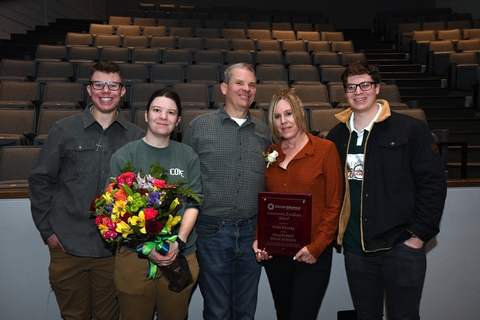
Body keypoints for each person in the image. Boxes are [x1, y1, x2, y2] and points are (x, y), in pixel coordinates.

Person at [326, 61, 447, 320]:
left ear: (377, 87)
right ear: (344, 92)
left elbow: (433, 184)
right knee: (366, 315)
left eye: (365, 85)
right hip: (356, 249)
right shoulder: (336, 136)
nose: (358, 92)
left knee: (404, 316)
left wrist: (418, 236)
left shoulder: (410, 129)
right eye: (351, 87)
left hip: (401, 246)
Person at [28, 60, 145, 319]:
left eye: (113, 85)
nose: (106, 90)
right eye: (99, 84)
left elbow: (142, 194)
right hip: (67, 246)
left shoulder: (136, 138)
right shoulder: (63, 130)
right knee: (74, 316)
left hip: (111, 251)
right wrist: (47, 231)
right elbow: (40, 181)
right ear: (89, 90)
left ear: (122, 91)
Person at [182, 63, 271, 320]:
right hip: (211, 232)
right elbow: (185, 181)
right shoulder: (200, 127)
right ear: (224, 87)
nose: (246, 89)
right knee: (217, 310)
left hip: (251, 233)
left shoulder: (264, 132)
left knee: (245, 310)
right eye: (239, 83)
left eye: (252, 85)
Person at [108, 89, 203, 320]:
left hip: (179, 256)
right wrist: (148, 248)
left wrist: (178, 242)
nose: (163, 117)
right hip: (135, 257)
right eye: (157, 110)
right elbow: (114, 210)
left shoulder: (188, 155)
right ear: (146, 115)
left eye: (171, 112)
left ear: (178, 120)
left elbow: (193, 203)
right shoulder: (124, 156)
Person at [252, 88, 344, 320]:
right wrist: (259, 239)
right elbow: (264, 203)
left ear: (301, 114)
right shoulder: (270, 153)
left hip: (312, 254)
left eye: (289, 114)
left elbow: (335, 204)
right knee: (284, 314)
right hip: (277, 256)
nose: (283, 121)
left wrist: (317, 247)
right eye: (277, 116)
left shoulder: (325, 150)